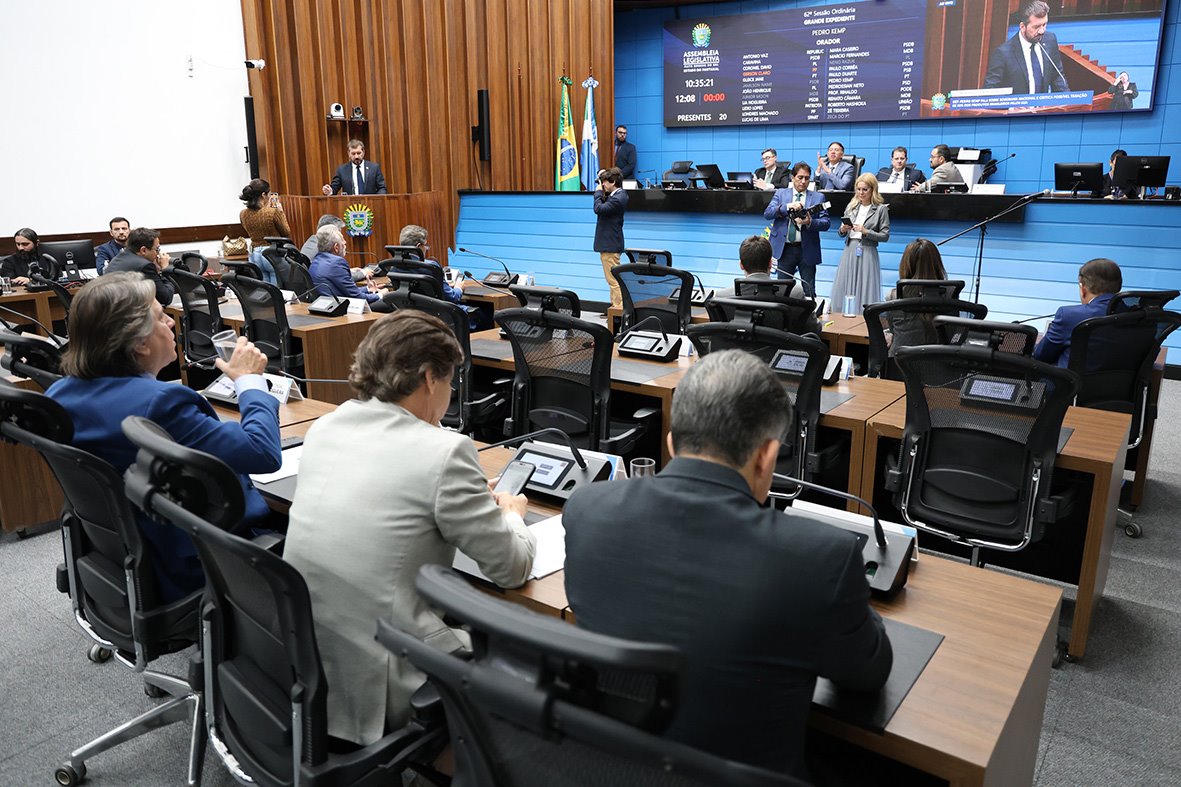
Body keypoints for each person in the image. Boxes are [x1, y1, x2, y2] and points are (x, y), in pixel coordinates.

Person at [563, 350, 892, 781]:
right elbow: (868, 671)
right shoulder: (820, 557)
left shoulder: (586, 509)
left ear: (670, 442)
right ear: (767, 457)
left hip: (611, 771)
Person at [283, 310, 536, 745]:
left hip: (304, 655)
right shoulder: (446, 452)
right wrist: (511, 513)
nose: (451, 394)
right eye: (451, 382)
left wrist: (459, 492)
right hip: (388, 670)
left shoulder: (328, 425)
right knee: (530, 653)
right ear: (429, 379)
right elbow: (512, 568)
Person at [46, 273, 281, 602]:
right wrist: (249, 382)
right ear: (140, 344)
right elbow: (263, 452)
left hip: (125, 559)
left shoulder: (58, 395)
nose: (171, 322)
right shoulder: (160, 403)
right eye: (160, 317)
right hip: (202, 561)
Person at [1033, 258, 1122, 368]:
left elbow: (1041, 356)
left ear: (1083, 288)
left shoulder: (1069, 315)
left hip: (1069, 379)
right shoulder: (1136, 315)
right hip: (1120, 379)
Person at [764, 162, 830, 297]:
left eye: (807, 178)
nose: (803, 181)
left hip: (807, 249)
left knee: (809, 290)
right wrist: (787, 207)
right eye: (800, 177)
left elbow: (826, 223)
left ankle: (810, 310)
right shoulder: (781, 194)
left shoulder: (818, 197)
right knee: (783, 291)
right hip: (785, 249)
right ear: (792, 177)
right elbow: (768, 214)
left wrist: (810, 222)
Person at [983, 1, 1069, 94]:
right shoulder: (1003, 53)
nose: (1042, 31)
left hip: (1042, 103)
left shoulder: (1050, 40)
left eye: (1044, 25)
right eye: (1036, 27)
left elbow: (1058, 79)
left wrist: (1067, 100)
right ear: (1022, 27)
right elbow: (990, 91)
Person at [833, 174, 890, 312]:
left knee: (865, 284)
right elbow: (840, 232)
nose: (861, 193)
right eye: (858, 189)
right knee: (846, 282)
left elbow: (885, 236)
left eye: (865, 189)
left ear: (872, 190)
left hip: (868, 250)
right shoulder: (851, 206)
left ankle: (864, 314)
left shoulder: (881, 209)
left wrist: (866, 232)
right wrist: (842, 229)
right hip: (850, 249)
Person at [308, 225, 391, 312]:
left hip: (327, 307)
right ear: (336, 247)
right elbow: (358, 297)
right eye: (342, 240)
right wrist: (380, 295)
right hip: (342, 311)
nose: (345, 242)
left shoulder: (316, 261)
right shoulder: (337, 263)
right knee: (390, 301)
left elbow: (345, 291)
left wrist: (367, 289)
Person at [714, 236, 805, 299]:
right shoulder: (796, 293)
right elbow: (810, 322)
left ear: (741, 265)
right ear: (770, 264)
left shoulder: (722, 296)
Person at [104, 227, 176, 306]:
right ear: (143, 250)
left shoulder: (118, 258)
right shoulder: (145, 266)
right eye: (157, 249)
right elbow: (165, 298)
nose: (158, 254)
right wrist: (165, 269)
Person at [238, 178, 287, 286]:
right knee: (276, 289)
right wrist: (281, 212)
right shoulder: (273, 211)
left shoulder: (243, 214)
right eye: (268, 194)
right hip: (272, 253)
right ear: (263, 195)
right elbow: (286, 232)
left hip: (254, 253)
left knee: (264, 289)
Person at [593, 166, 628, 309]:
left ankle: (619, 309)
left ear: (613, 182)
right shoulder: (616, 195)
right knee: (612, 279)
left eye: (605, 182)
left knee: (613, 280)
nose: (603, 185)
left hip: (610, 244)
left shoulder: (618, 198)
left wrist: (597, 193)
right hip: (609, 243)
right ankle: (614, 306)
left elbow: (599, 209)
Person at [322, 139, 388, 196]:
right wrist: (329, 190)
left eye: (359, 153)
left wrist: (377, 200)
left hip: (370, 205)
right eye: (353, 154)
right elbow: (334, 188)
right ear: (348, 154)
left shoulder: (374, 168)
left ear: (363, 152)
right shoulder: (342, 170)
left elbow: (382, 188)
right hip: (350, 205)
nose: (356, 156)